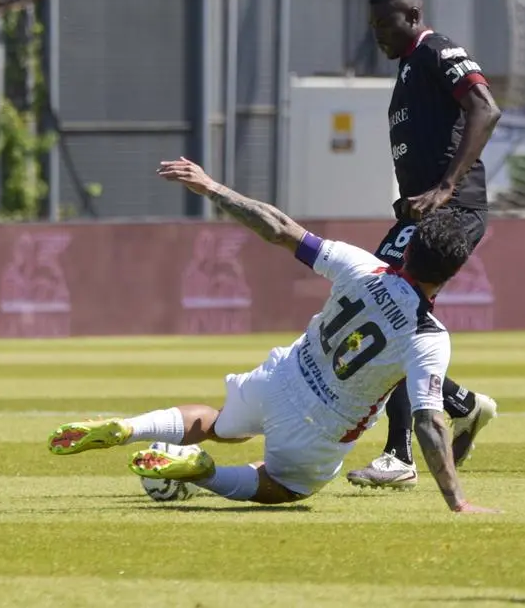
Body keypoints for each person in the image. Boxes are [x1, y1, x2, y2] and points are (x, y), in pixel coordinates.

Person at [49, 157, 495, 514]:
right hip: (320, 429)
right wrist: (458, 501)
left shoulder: (362, 265)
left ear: (410, 247)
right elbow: (430, 422)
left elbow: (279, 228)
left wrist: (212, 187)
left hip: (279, 377)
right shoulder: (428, 336)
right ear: (452, 275)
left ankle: (129, 426)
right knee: (285, 488)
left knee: (220, 423)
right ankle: (203, 475)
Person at [345, 0, 503, 490]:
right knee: (380, 305)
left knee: (390, 311)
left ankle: (401, 455)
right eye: (373, 28)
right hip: (428, 212)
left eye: (385, 26)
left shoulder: (437, 51)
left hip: (454, 212)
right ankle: (462, 405)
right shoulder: (410, 66)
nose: (379, 37)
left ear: (412, 14)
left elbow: (486, 109)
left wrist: (444, 188)